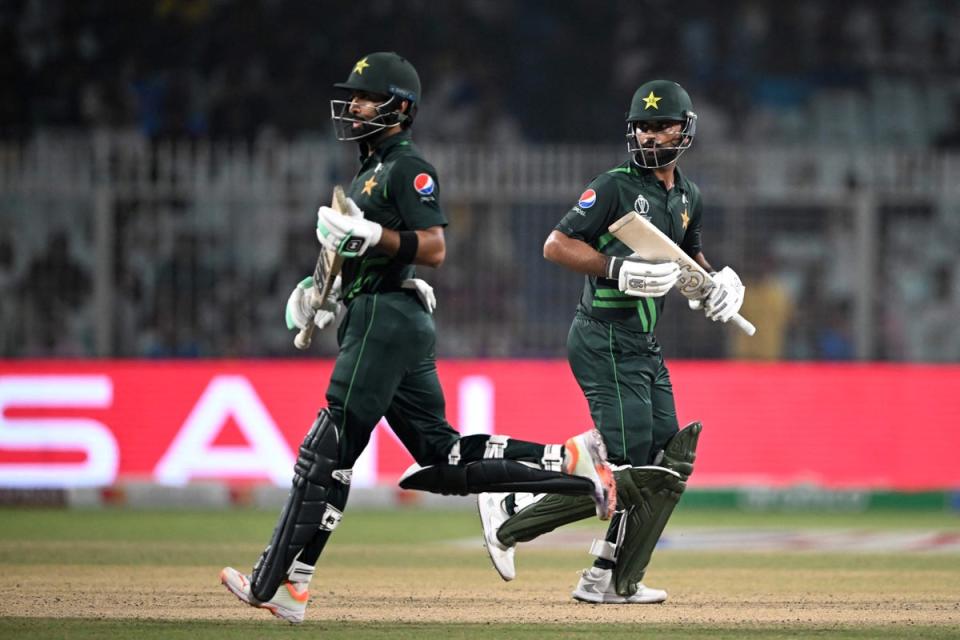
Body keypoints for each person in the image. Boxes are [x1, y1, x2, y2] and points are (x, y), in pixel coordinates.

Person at [219, 52, 617, 624]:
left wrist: (372, 237)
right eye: (351, 96)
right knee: (441, 456)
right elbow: (361, 256)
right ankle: (570, 463)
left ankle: (278, 582)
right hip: (380, 315)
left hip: (385, 322)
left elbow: (433, 247)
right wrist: (321, 293)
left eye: (365, 97)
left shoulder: (408, 168)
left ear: (399, 109)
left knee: (325, 452)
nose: (353, 106)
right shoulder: (366, 173)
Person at [477, 80, 746, 604]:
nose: (649, 135)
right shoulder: (614, 187)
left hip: (643, 343)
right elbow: (555, 244)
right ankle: (511, 514)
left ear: (685, 131)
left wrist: (719, 288)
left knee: (669, 464)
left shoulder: (689, 196)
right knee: (629, 472)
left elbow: (692, 263)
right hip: (603, 337)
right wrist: (614, 267)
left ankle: (612, 577)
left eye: (661, 125)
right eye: (641, 126)